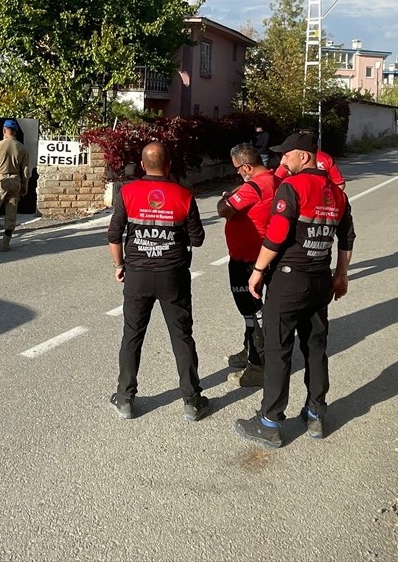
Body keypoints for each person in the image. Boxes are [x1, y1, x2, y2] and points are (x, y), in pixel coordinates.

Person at [234, 130, 354, 448]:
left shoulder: (293, 186)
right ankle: (315, 413)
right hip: (320, 280)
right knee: (315, 349)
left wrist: (258, 270)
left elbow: (277, 233)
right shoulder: (338, 193)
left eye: (286, 155)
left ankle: (269, 421)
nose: (282, 160)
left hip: (289, 280)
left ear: (304, 156)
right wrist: (341, 274)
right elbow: (347, 237)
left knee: (278, 351)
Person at [107, 141, 209, 423]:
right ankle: (192, 401)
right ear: (168, 165)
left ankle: (125, 399)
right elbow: (198, 239)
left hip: (137, 275)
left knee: (132, 335)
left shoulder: (127, 192)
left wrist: (119, 266)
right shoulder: (184, 195)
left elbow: (114, 235)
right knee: (181, 336)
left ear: (142, 165)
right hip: (173, 275)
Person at [217, 143, 281, 389]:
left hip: (247, 260)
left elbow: (224, 209)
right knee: (254, 312)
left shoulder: (254, 186)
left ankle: (258, 365)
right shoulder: (274, 180)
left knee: (252, 312)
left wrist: (227, 196)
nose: (236, 173)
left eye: (237, 169)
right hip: (263, 255)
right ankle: (249, 350)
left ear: (246, 166)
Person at [0, 119, 31, 252]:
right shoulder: (21, 148)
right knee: (11, 211)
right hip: (15, 181)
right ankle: (5, 243)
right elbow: (25, 170)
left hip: (0, 181)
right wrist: (25, 185)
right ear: (15, 132)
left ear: (4, 130)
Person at [275, 142, 346, 192]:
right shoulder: (326, 158)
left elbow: (275, 181)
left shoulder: (291, 159)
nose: (282, 161)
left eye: (285, 155)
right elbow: (340, 184)